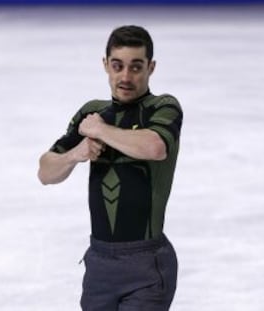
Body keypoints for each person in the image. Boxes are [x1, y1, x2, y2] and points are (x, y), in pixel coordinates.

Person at [38, 25, 183, 311]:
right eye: (117, 66)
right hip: (99, 266)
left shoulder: (162, 107)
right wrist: (75, 154)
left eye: (136, 67)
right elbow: (45, 172)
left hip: (147, 265)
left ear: (151, 68)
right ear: (106, 65)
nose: (125, 77)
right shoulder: (92, 111)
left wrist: (100, 132)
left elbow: (154, 147)